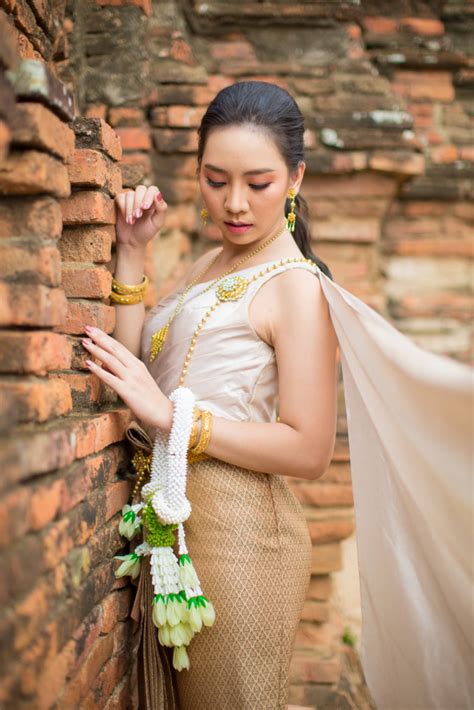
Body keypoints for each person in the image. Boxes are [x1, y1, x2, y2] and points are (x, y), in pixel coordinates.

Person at [81, 81, 473, 710]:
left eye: (258, 183)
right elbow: (136, 379)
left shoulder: (297, 288)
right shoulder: (209, 263)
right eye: (215, 180)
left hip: (242, 546)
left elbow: (309, 448)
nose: (234, 203)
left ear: (295, 179)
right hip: (171, 533)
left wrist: (175, 418)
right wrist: (131, 253)